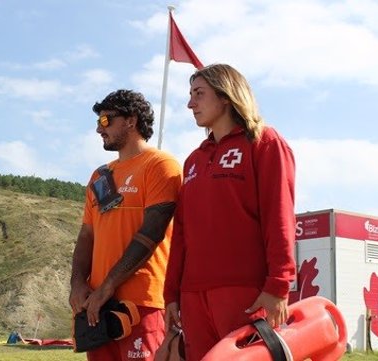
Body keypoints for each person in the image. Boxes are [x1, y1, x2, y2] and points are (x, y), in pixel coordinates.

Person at [162, 64, 296, 361]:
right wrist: (171, 294)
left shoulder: (265, 142)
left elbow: (280, 217)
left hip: (245, 292)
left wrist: (278, 285)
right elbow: (181, 232)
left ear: (225, 96)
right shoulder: (193, 160)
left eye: (199, 94)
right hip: (193, 295)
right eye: (190, 94)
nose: (190, 103)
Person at [70, 89, 183, 361]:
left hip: (142, 302)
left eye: (106, 120)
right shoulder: (100, 176)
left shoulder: (161, 165)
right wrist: (77, 284)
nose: (99, 128)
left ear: (131, 121)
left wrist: (108, 286)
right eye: (98, 122)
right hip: (97, 305)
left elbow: (151, 232)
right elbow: (87, 234)